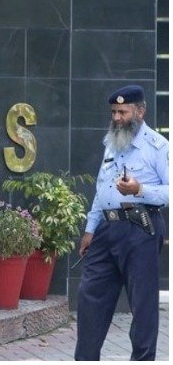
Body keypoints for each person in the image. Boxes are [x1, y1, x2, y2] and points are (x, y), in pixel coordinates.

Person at [75, 85, 168, 360]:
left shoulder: (158, 147)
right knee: (89, 298)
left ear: (140, 111)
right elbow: (101, 190)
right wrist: (90, 229)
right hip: (106, 231)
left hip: (140, 229)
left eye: (122, 112)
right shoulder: (110, 143)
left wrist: (140, 189)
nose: (116, 118)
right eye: (114, 112)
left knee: (142, 306)